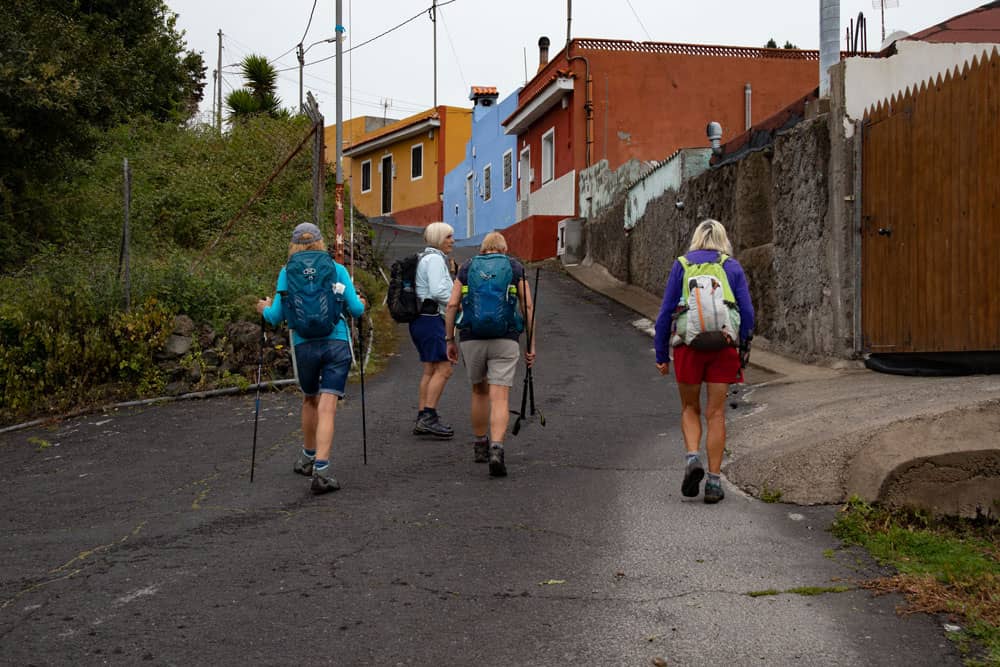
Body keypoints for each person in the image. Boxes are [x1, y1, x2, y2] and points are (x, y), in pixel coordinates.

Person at [257, 222, 366, 495]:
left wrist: (263, 308)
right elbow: (355, 309)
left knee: (309, 399)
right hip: (336, 341)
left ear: (293, 244)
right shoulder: (336, 268)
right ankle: (322, 469)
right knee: (328, 406)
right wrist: (361, 302)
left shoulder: (287, 272)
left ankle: (307, 456)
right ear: (320, 242)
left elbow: (274, 317)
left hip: (304, 345)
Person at [653, 219, 754, 504]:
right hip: (723, 347)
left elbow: (664, 314)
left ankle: (692, 458)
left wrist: (661, 355)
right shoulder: (731, 267)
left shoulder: (681, 266)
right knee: (716, 413)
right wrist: (743, 345)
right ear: (723, 239)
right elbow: (747, 312)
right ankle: (713, 482)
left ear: (697, 238)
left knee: (689, 407)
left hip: (688, 348)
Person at [445, 231, 535, 477]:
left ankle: (480, 445)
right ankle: (497, 449)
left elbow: (452, 304)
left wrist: (449, 338)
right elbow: (527, 305)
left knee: (479, 391)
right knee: (500, 396)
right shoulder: (514, 267)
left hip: (472, 338)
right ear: (503, 249)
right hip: (505, 338)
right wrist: (531, 343)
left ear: (482, 249)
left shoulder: (467, 268)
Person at [410, 222, 457, 438]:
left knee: (430, 369)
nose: (452, 241)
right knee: (444, 369)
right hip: (432, 319)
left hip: (420, 319)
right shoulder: (436, 260)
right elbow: (439, 291)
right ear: (438, 238)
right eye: (448, 237)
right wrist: (458, 304)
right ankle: (429, 416)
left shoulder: (424, 258)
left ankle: (423, 416)